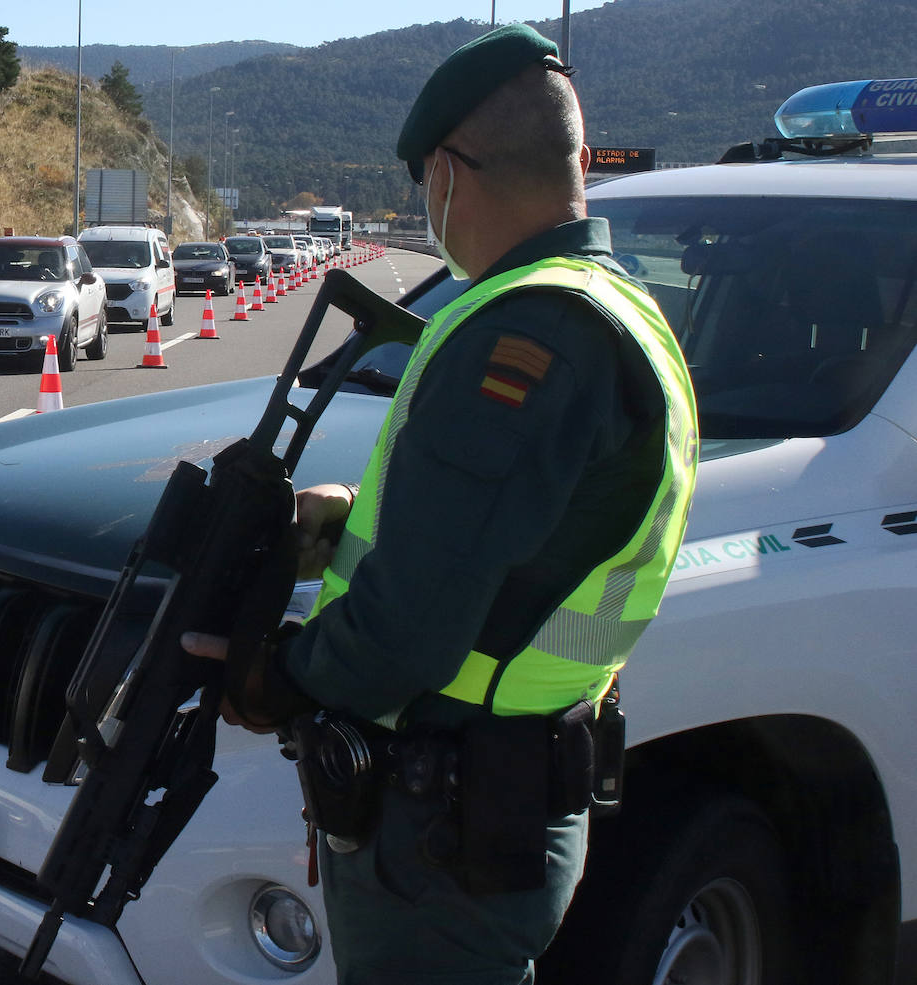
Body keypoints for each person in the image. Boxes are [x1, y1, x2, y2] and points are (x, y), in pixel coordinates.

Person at [183, 23, 699, 985]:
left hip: (444, 829)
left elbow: (411, 625)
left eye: (427, 179)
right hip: (502, 797)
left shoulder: (526, 332)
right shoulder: (621, 308)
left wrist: (276, 680)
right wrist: (350, 523)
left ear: (450, 174)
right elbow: (521, 540)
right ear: (578, 163)